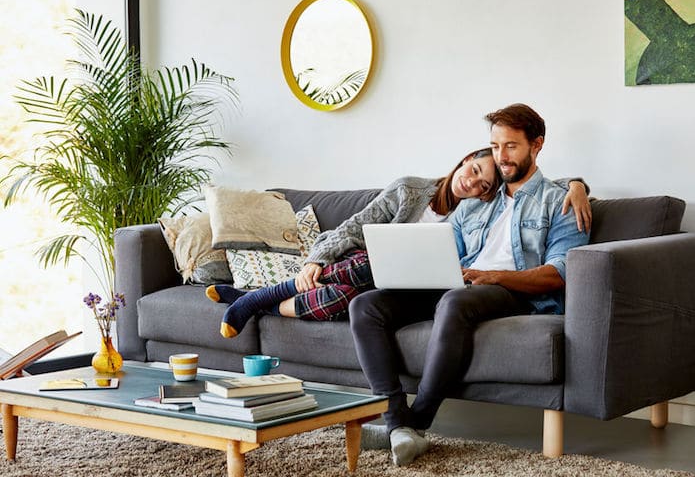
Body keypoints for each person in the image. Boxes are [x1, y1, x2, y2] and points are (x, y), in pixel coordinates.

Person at [348, 103, 591, 466]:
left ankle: (417, 421)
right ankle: (397, 422)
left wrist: (494, 276)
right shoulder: (477, 203)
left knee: (454, 303)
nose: (502, 156)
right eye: (495, 147)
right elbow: (449, 255)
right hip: (459, 285)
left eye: (511, 146)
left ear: (536, 145)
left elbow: (559, 273)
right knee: (366, 305)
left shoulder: (561, 202)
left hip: (513, 294)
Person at [208, 146, 591, 338]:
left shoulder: (481, 213)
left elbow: (532, 184)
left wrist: (577, 184)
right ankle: (257, 298)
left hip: (412, 285)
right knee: (361, 266)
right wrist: (317, 259)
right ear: (462, 161)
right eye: (472, 170)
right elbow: (356, 226)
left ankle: (252, 301)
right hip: (369, 265)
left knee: (340, 300)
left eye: (483, 184)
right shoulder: (410, 190)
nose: (471, 183)